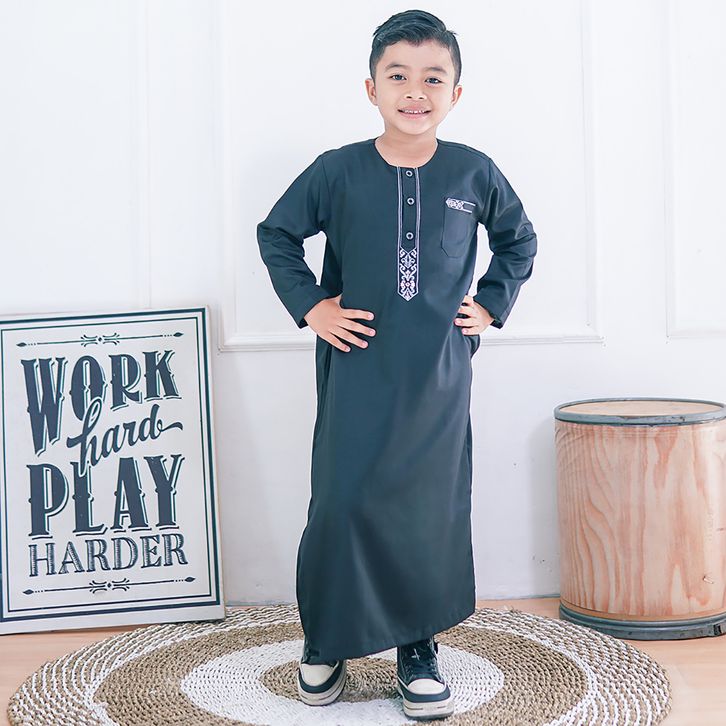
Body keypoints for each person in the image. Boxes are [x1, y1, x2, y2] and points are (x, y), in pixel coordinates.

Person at [256, 8, 538, 721]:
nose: (416, 91)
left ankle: (418, 646)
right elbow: (277, 233)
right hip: (356, 365)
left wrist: (490, 305)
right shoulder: (338, 171)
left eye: (433, 78)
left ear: (456, 93)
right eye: (399, 76)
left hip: (438, 372)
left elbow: (519, 240)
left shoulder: (474, 171)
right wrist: (312, 307)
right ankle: (327, 640)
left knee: (426, 508)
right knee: (341, 502)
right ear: (372, 88)